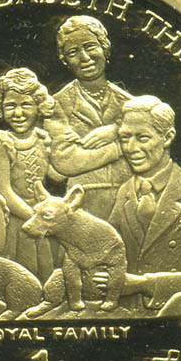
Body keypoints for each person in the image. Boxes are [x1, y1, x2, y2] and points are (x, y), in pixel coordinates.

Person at [106, 95, 181, 317]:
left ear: (167, 137)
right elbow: (107, 254)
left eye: (142, 138)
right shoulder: (124, 192)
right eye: (124, 138)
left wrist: (143, 284)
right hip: (124, 316)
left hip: (176, 315)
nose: (130, 148)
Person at [44, 15, 133, 220]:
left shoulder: (130, 103)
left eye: (90, 46)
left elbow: (154, 144)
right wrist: (120, 146)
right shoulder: (57, 104)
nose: (84, 57)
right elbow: (65, 163)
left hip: (130, 200)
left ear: (104, 48)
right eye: (73, 52)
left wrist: (114, 130)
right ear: (65, 60)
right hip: (83, 203)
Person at [0, 68, 63, 282]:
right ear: (0, 108)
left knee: (46, 271)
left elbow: (56, 176)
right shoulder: (1, 143)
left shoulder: (42, 139)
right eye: (11, 106)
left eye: (26, 104)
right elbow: (4, 191)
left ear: (39, 106)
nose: (18, 113)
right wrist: (35, 217)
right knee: (22, 276)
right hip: (16, 223)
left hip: (40, 217)